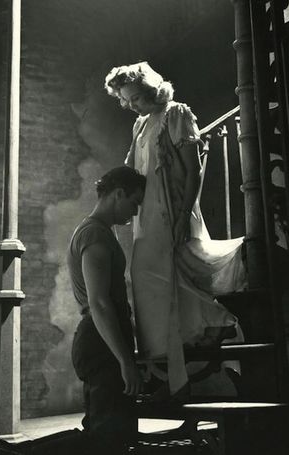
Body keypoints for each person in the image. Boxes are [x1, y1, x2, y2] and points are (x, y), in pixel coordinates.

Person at [105, 62, 246, 398]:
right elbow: (131, 170)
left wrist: (184, 214)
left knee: (180, 291)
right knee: (147, 291)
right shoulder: (140, 125)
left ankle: (216, 355)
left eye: (135, 97)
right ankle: (173, 386)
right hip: (145, 219)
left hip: (173, 213)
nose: (131, 105)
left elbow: (193, 171)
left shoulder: (176, 113)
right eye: (126, 101)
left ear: (151, 89)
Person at [68, 166, 146, 455]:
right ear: (118, 194)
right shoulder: (95, 235)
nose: (135, 212)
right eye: (134, 203)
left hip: (102, 342)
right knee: (108, 440)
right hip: (101, 344)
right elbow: (99, 303)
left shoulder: (100, 232)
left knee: (109, 435)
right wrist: (126, 361)